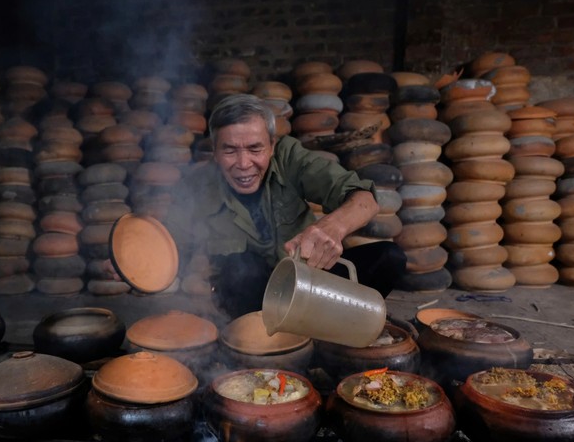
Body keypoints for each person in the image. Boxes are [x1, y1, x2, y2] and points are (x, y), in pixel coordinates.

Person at [114, 93, 407, 318]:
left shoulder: (291, 157)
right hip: (251, 301)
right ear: (214, 151)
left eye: (255, 149)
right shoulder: (195, 188)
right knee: (239, 270)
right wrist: (131, 264)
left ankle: (330, 331)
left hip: (313, 282)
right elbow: (169, 252)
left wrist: (332, 227)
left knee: (389, 257)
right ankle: (263, 343)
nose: (243, 165)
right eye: (229, 150)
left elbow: (365, 199)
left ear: (272, 144)